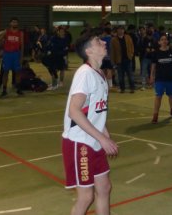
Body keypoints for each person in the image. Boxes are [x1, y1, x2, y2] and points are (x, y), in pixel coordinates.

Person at [62, 29, 118, 215]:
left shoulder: (99, 73)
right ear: (89, 51)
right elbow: (74, 111)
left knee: (104, 188)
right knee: (86, 196)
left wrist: (105, 135)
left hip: (94, 141)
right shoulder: (85, 74)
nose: (104, 42)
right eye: (98, 42)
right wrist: (102, 139)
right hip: (79, 143)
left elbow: (95, 111)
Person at [150, 34, 172, 123]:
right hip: (159, 78)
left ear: (167, 41)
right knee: (158, 96)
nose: (164, 41)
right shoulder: (156, 52)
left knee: (171, 95)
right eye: (162, 39)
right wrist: (151, 76)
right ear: (159, 42)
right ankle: (155, 115)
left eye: (165, 39)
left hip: (171, 77)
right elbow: (153, 65)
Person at [0, 18, 25, 97]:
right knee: (5, 72)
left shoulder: (20, 33)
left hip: (16, 54)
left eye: (16, 22)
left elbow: (22, 45)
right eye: (13, 22)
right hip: (7, 54)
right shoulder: (6, 32)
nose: (14, 23)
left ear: (18, 24)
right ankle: (4, 90)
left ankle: (18, 89)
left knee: (18, 72)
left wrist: (21, 57)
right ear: (10, 24)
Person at [110, 26, 136, 93]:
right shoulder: (113, 40)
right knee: (120, 76)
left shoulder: (128, 37)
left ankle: (132, 88)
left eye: (122, 29)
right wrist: (113, 61)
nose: (121, 31)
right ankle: (122, 89)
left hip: (128, 59)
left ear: (124, 30)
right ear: (117, 31)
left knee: (130, 75)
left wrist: (131, 54)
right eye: (119, 29)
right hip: (119, 61)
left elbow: (132, 46)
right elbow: (112, 51)